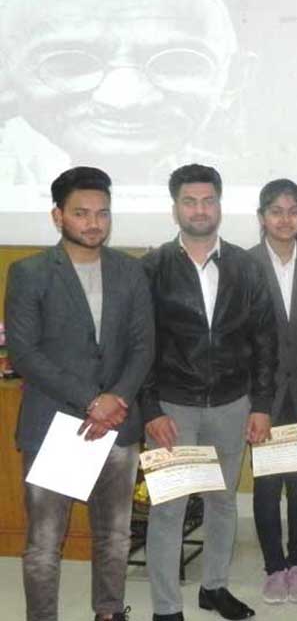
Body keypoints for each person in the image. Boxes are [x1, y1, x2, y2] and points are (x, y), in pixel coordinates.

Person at [6, 166, 154, 621]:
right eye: (81, 213)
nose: (94, 223)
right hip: (57, 425)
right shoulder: (29, 272)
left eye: (102, 213)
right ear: (58, 216)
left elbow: (143, 346)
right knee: (45, 544)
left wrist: (115, 400)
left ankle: (109, 611)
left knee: (115, 536)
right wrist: (93, 400)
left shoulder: (130, 270)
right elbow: (25, 353)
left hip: (118, 426)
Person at [140, 163, 276, 621]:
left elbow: (265, 340)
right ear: (175, 208)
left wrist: (261, 405)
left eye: (208, 201)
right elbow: (140, 345)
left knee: (222, 501)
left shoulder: (245, 266)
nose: (200, 210)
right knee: (169, 509)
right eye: (189, 201)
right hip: (173, 407)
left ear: (219, 205)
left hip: (232, 404)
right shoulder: (153, 268)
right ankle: (166, 608)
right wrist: (150, 409)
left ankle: (214, 587)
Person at [0, 0, 248, 185]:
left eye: (176, 64)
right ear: (5, 75)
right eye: (71, 65)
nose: (124, 100)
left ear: (232, 80)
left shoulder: (241, 185)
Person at [248, 179, 297, 606]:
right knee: (265, 486)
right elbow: (237, 340)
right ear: (262, 217)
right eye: (276, 211)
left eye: (292, 211)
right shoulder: (243, 264)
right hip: (262, 398)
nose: (284, 219)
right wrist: (254, 403)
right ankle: (273, 568)